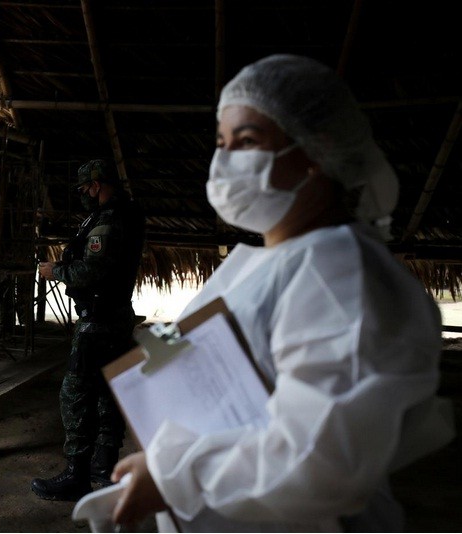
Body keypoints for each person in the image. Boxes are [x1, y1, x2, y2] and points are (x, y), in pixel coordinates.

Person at [109, 54, 456, 532]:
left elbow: (325, 460)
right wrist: (149, 364)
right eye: (221, 143)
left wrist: (176, 475)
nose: (226, 161)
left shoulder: (340, 273)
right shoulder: (256, 261)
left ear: (317, 150)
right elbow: (195, 338)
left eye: (247, 142)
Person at [33, 159, 145, 501]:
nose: (83, 195)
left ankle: (76, 474)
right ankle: (105, 469)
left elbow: (92, 270)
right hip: (115, 317)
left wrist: (57, 270)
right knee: (108, 393)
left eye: (85, 189)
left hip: (99, 321)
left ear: (97, 184)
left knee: (76, 395)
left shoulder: (109, 220)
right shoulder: (125, 213)